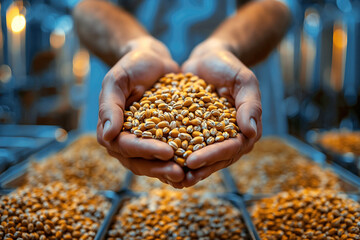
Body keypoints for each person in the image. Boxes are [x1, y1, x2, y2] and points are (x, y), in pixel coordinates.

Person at [73, 0, 292, 188]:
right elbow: (85, 5)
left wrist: (223, 47)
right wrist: (137, 47)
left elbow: (277, 4)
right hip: (128, 87)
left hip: (233, 86)